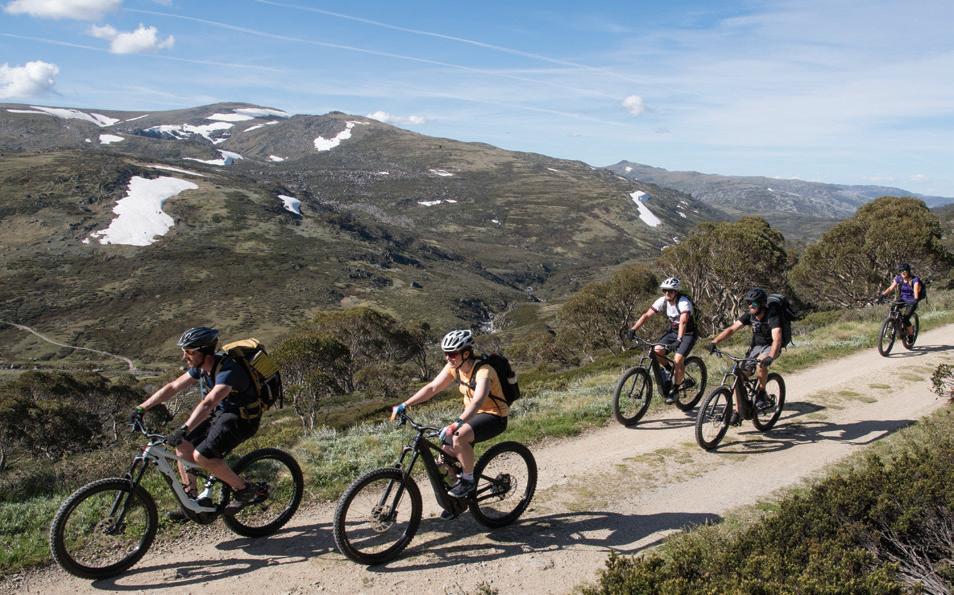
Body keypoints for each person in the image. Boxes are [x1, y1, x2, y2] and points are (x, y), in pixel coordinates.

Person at [131, 327, 265, 516]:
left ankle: (244, 489)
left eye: (189, 352)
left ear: (204, 352)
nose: (184, 357)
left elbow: (209, 403)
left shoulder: (228, 370)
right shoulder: (201, 368)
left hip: (242, 419)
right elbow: (173, 387)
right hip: (221, 414)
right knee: (182, 444)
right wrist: (141, 408)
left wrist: (184, 428)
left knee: (203, 456)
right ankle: (191, 502)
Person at [390, 329, 508, 502]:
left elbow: (477, 402)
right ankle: (457, 503)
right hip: (471, 416)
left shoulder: (484, 371)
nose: (448, 358)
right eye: (446, 353)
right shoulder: (454, 368)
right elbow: (432, 388)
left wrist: (455, 424)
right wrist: (404, 404)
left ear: (465, 354)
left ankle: (468, 480)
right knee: (443, 462)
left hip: (494, 416)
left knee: (459, 436)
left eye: (452, 354)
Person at [707, 288, 781, 425]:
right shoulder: (749, 316)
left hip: (770, 347)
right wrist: (714, 342)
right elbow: (731, 329)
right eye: (748, 303)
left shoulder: (772, 315)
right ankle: (738, 411)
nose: (750, 306)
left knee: (760, 363)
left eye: (754, 303)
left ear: (762, 304)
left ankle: (762, 393)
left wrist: (770, 356)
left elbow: (777, 339)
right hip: (755, 347)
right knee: (738, 376)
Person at [627, 277, 698, 403]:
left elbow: (683, 321)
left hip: (688, 333)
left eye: (670, 291)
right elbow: (647, 315)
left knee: (678, 359)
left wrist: (679, 340)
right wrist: (633, 329)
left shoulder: (683, 302)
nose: (667, 293)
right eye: (664, 290)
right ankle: (670, 370)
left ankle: (675, 390)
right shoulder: (662, 301)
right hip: (673, 332)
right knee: (656, 351)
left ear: (676, 291)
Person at [879, 263, 922, 339]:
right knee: (893, 308)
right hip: (902, 299)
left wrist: (916, 299)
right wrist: (883, 295)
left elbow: (915, 290)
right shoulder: (899, 278)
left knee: (905, 318)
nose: (903, 272)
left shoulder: (915, 279)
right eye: (901, 271)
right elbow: (891, 288)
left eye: (904, 271)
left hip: (912, 301)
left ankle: (911, 335)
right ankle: (895, 326)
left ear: (908, 271)